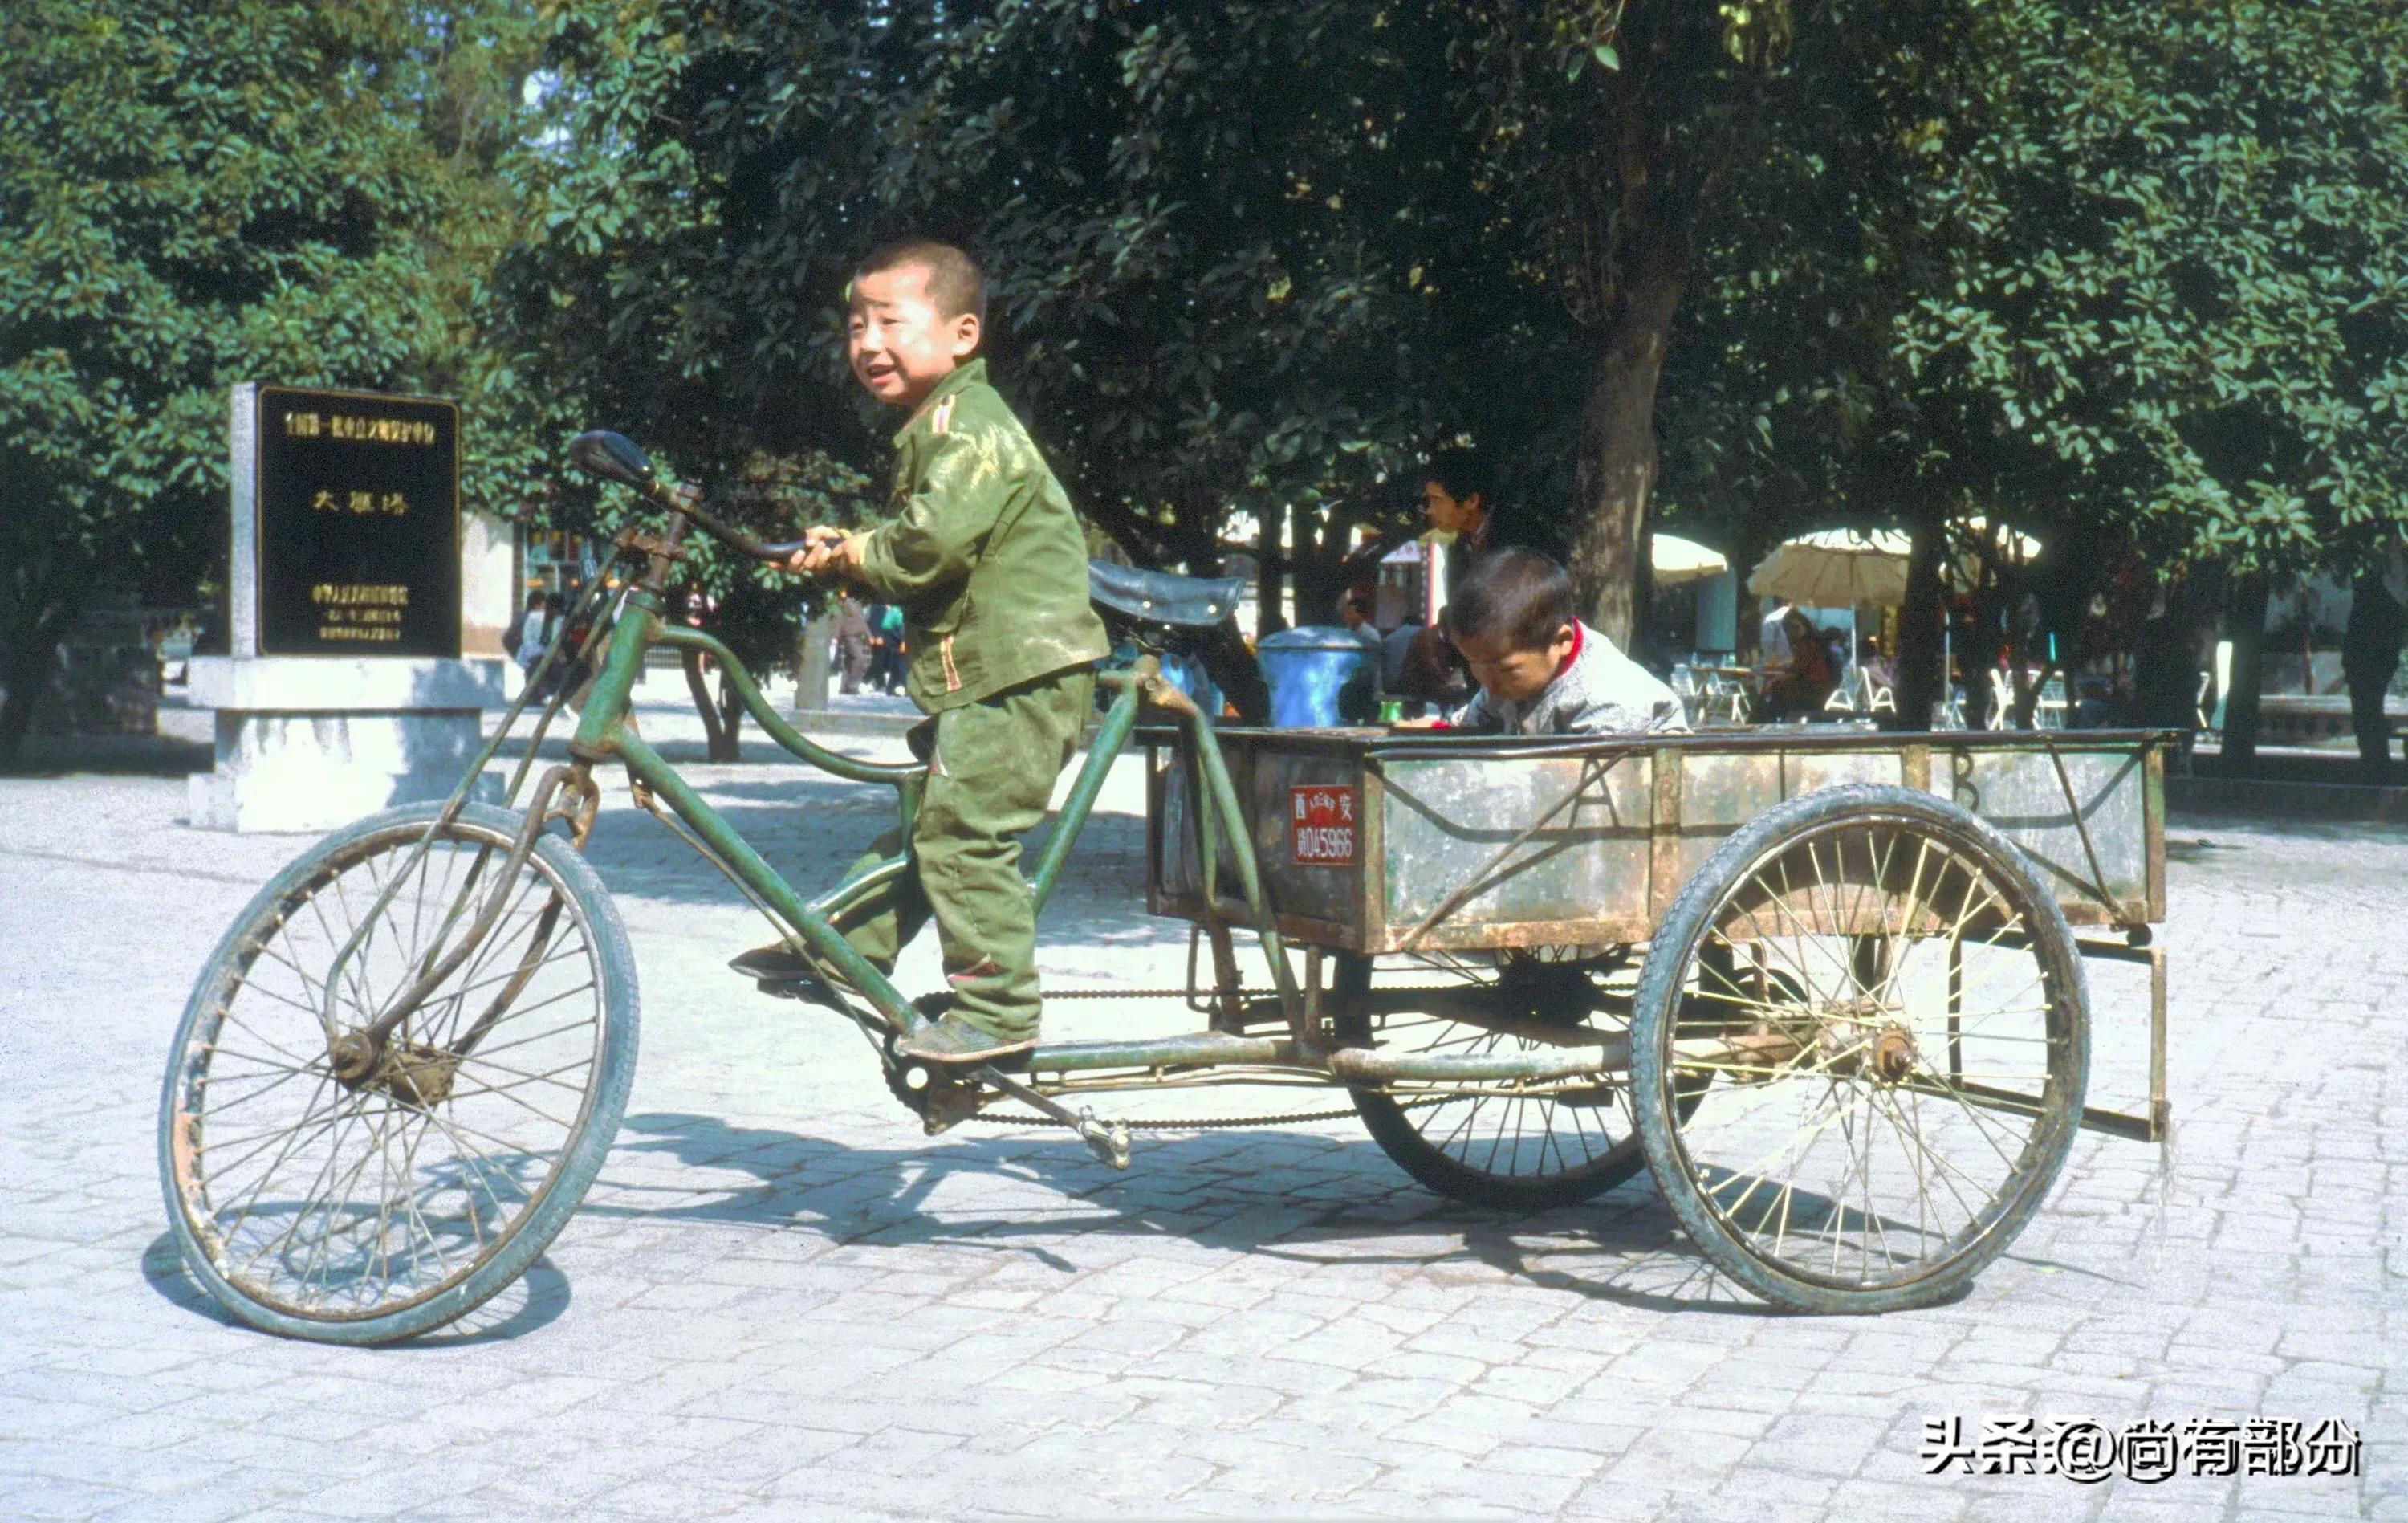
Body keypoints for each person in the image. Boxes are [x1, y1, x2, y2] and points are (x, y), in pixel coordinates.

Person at [737, 238, 1110, 1066]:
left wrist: (851, 555)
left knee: (962, 836)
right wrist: (851, 550)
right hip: (990, 673)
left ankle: (1000, 1012)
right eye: (856, 324)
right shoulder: (937, 429)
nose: (867, 342)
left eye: (890, 322)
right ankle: (841, 945)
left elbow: (925, 549)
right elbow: (923, 544)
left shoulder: (967, 427)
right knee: (928, 822)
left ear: (962, 335)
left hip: (1022, 672)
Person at [1433, 548, 1688, 736]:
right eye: (1474, 664)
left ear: (1561, 641)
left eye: (1505, 668)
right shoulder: (1502, 676)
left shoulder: (1610, 698)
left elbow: (1581, 787)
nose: (1487, 682)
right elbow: (1472, 727)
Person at [1758, 607, 1837, 720]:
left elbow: (1800, 670)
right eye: (1789, 629)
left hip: (1813, 690)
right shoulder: (1805, 645)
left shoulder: (1809, 645)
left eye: (1796, 628)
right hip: (1812, 688)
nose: (1792, 632)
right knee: (1773, 691)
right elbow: (1798, 667)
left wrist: (1777, 680)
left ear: (1805, 626)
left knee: (1771, 693)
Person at [832, 593, 872, 694]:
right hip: (849, 638)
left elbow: (864, 626)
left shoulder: (859, 611)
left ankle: (845, 686)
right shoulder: (846, 613)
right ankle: (852, 685)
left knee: (849, 662)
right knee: (860, 658)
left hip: (857, 639)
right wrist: (836, 637)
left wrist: (870, 637)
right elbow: (839, 625)